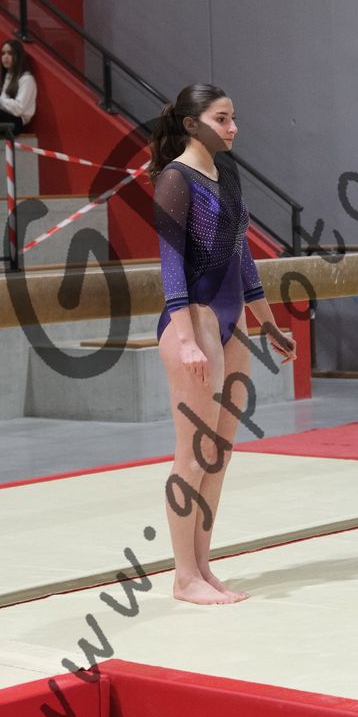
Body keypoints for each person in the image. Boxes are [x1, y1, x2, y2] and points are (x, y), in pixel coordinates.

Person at [149, 84, 296, 605]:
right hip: (196, 321)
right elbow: (170, 264)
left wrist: (270, 324)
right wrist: (186, 339)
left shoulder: (227, 173)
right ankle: (183, 576)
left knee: (219, 454)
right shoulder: (175, 179)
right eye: (222, 119)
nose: (233, 128)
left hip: (233, 323)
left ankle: (203, 567)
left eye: (234, 118)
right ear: (192, 125)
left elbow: (243, 257)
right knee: (193, 455)